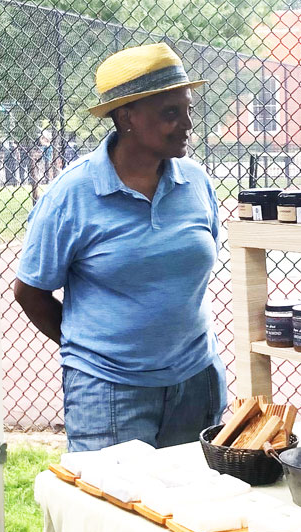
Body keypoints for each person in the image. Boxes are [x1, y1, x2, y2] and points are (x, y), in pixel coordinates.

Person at [13, 42, 224, 452]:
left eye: (188, 110)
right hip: (109, 392)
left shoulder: (197, 182)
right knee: (114, 508)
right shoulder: (72, 194)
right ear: (126, 117)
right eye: (170, 113)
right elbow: (30, 291)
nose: (187, 124)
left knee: (196, 511)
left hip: (197, 382)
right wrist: (95, 353)